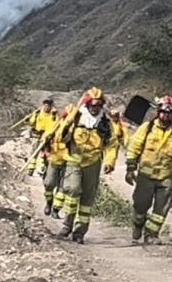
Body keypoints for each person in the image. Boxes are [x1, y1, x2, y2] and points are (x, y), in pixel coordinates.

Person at [125, 95, 172, 244]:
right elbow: (133, 148)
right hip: (146, 174)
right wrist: (131, 169)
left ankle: (151, 234)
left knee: (162, 206)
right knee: (141, 204)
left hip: (166, 176)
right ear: (158, 112)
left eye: (169, 113)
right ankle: (138, 223)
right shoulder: (147, 128)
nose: (166, 115)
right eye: (163, 112)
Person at [57, 87, 118, 244]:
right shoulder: (77, 118)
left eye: (98, 105)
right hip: (74, 160)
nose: (94, 107)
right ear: (87, 104)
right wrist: (67, 125)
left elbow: (111, 144)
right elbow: (61, 139)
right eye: (92, 104)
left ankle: (80, 232)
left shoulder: (105, 123)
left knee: (87, 200)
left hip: (93, 163)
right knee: (73, 189)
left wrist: (110, 162)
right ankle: (67, 224)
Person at [41, 104, 74, 219]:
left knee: (63, 188)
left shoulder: (76, 129)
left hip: (69, 162)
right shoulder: (56, 126)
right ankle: (49, 203)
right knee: (49, 184)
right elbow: (45, 139)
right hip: (54, 159)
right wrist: (46, 140)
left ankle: (56, 209)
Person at [23, 98, 58, 176]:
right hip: (37, 136)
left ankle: (42, 169)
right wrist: (27, 120)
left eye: (48, 106)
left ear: (51, 107)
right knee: (34, 152)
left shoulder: (54, 115)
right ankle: (31, 168)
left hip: (48, 138)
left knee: (45, 154)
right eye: (45, 106)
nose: (46, 108)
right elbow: (32, 123)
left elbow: (55, 126)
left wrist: (48, 135)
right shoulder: (38, 113)